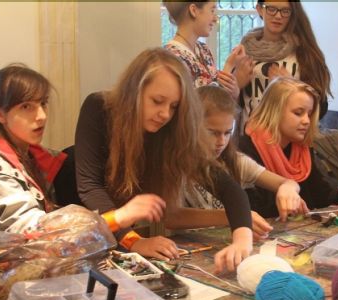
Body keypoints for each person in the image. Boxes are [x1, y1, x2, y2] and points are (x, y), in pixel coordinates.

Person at [75, 48, 253, 274]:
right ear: (134, 90)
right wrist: (133, 241)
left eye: (173, 106)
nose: (165, 114)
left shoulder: (171, 130)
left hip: (115, 232)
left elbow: (227, 187)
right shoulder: (99, 107)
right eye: (157, 101)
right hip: (78, 226)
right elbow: (90, 188)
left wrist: (242, 239)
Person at [0, 64, 159, 240]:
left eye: (43, 103)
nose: (41, 116)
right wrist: (118, 218)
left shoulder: (34, 159)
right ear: (0, 115)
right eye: (26, 107)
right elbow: (36, 237)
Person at [239, 77, 338, 218]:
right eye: (298, 113)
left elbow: (322, 195)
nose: (306, 121)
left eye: (309, 114)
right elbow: (251, 209)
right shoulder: (245, 150)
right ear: (274, 111)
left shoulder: (302, 148)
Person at [183, 85, 307, 238]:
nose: (221, 142)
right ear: (191, 126)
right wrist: (236, 215)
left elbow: (288, 183)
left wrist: (288, 188)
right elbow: (172, 217)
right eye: (212, 133)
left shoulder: (236, 161)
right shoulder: (177, 163)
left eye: (227, 133)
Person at [239, 0, 331, 121]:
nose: (278, 16)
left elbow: (321, 108)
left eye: (285, 11)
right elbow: (230, 107)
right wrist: (236, 85)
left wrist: (293, 88)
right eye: (271, 9)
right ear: (260, 9)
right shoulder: (244, 50)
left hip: (291, 132)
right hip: (249, 130)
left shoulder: (305, 52)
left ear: (292, 13)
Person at [163, 1, 248, 100]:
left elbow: (218, 100)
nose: (215, 19)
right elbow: (201, 105)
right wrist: (228, 66)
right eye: (212, 10)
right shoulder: (173, 58)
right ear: (194, 10)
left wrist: (234, 90)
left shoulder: (203, 50)